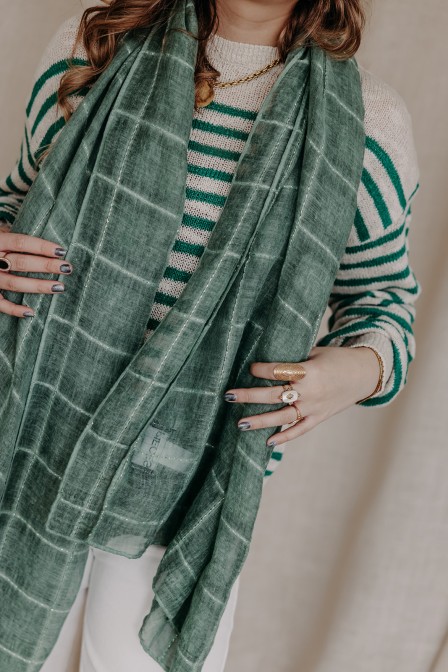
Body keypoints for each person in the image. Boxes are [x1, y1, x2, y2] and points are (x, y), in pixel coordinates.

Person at [0, 0, 421, 670]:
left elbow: (384, 305)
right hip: (30, 444)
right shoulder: (95, 45)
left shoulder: (365, 123)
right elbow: (19, 202)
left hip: (185, 485)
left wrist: (347, 374)